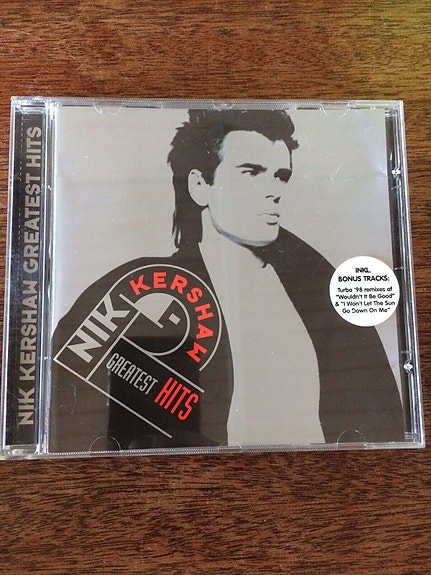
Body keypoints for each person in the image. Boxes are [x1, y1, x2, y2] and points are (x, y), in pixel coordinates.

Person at [49, 109, 404, 453]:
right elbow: (70, 408)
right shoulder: (141, 290)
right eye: (251, 172)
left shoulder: (320, 291)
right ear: (201, 186)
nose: (274, 191)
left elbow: (379, 418)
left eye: (281, 176)